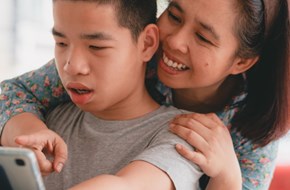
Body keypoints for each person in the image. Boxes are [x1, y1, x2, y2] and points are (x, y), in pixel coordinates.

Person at [0, 0, 289, 189]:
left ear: (240, 62)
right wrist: (27, 129)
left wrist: (226, 174)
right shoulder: (124, 56)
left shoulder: (249, 129)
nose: (174, 41)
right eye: (174, 16)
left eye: (202, 37)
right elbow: (14, 91)